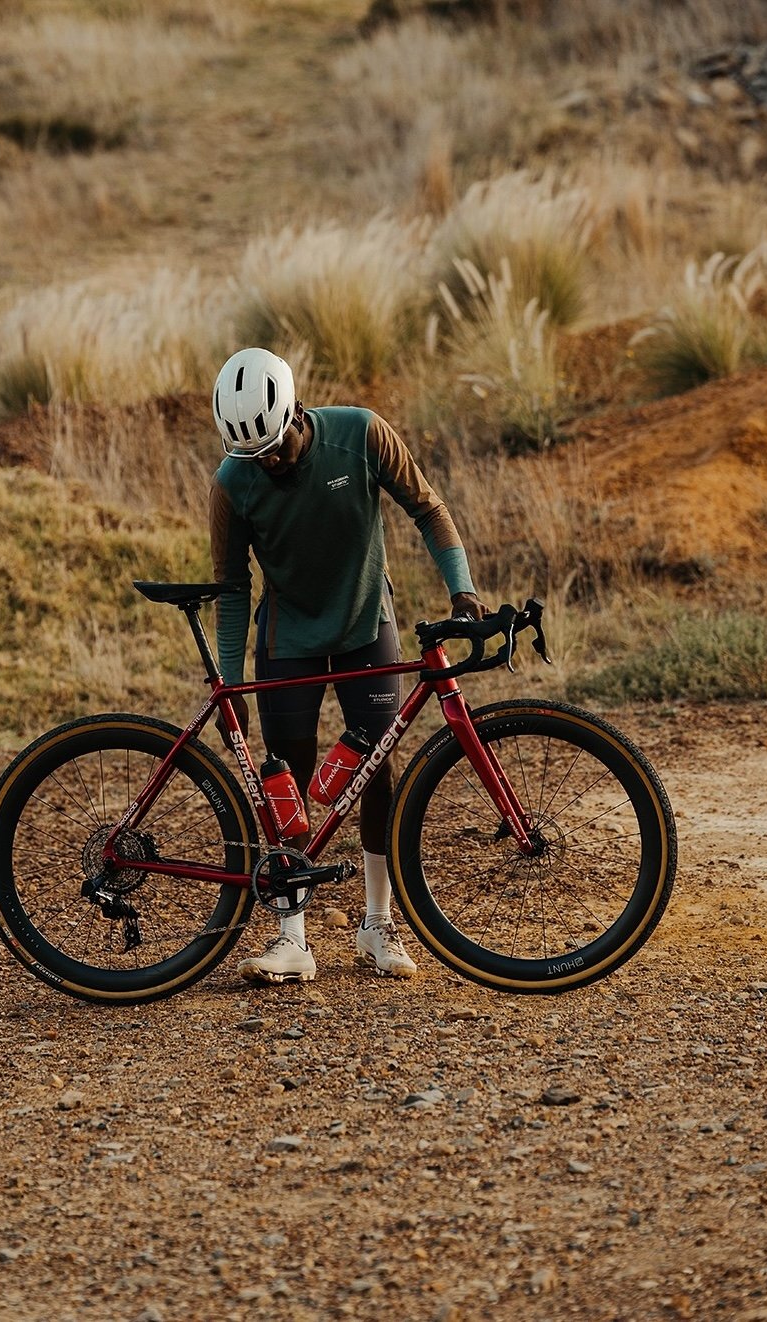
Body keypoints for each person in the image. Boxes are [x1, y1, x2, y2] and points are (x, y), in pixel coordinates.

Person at [208, 346, 485, 984]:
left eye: (274, 449)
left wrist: (461, 588)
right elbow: (230, 586)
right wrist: (228, 678)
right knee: (286, 780)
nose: (268, 464)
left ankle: (376, 926)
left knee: (375, 767)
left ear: (296, 413)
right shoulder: (232, 484)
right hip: (287, 637)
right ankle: (291, 939)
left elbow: (428, 507)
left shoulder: (360, 433)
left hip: (366, 622)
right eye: (253, 457)